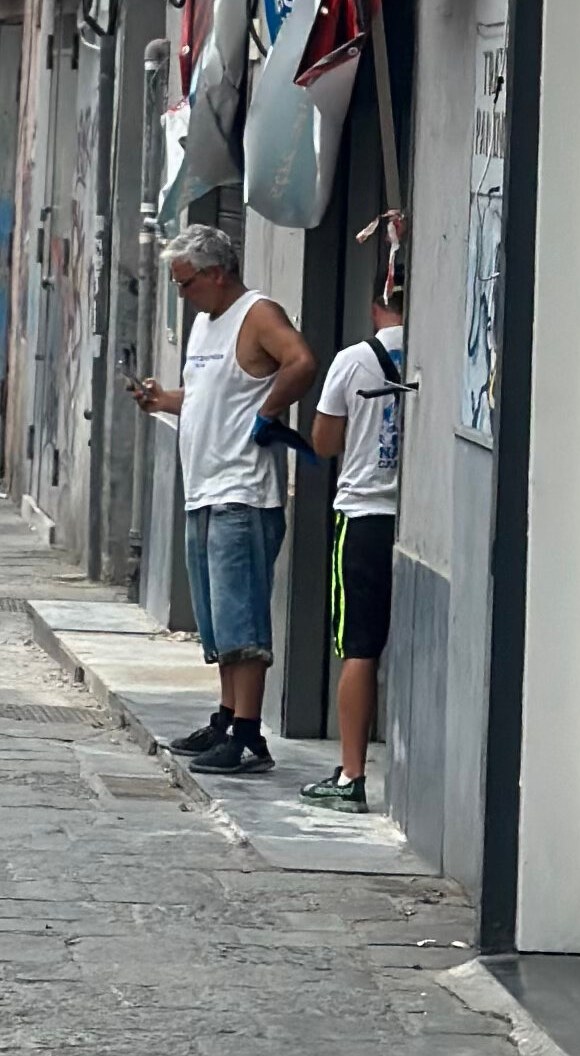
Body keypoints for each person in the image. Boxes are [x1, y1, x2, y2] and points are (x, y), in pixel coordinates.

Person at [126, 221, 316, 778]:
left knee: (241, 620)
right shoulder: (205, 325)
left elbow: (301, 362)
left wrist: (269, 412)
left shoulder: (257, 314)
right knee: (217, 621)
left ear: (215, 274)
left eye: (185, 283)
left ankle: (249, 737)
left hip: (241, 491)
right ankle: (227, 718)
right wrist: (165, 400)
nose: (182, 294)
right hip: (204, 489)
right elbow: (211, 396)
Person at [303, 254, 405, 812]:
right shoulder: (434, 352)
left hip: (363, 515)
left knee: (359, 650)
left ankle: (351, 774)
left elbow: (323, 443)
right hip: (409, 519)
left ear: (374, 306)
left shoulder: (353, 360)